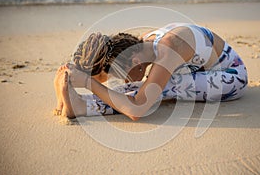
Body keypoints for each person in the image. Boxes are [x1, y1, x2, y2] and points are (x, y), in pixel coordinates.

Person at [53, 23, 248, 121]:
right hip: (199, 72)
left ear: (136, 62)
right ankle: (73, 101)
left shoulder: (167, 50)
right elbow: (106, 70)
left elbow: (137, 110)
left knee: (160, 89)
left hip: (231, 76)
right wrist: (78, 77)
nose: (119, 81)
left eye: (119, 75)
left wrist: (89, 84)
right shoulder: (143, 44)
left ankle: (82, 107)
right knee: (144, 87)